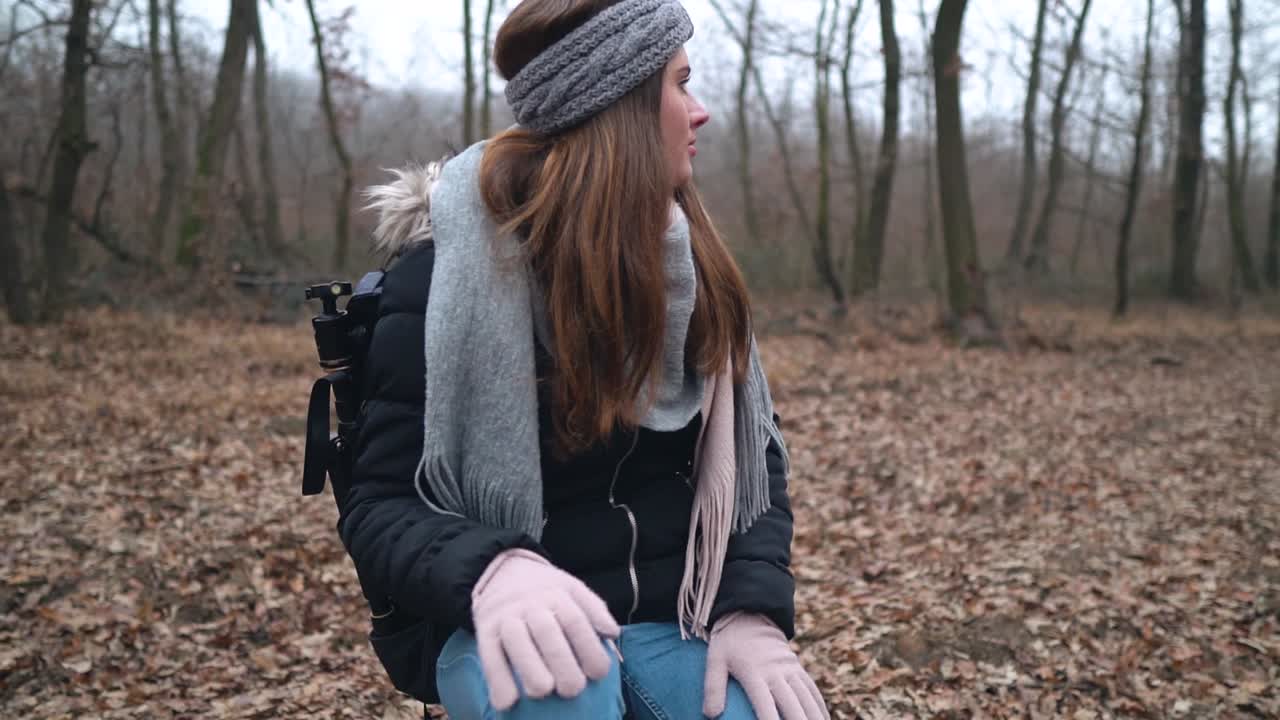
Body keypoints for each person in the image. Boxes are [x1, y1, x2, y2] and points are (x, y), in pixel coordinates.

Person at [341, 1, 828, 718]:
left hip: (671, 618)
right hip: (491, 620)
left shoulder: (696, 271)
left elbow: (757, 462)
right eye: (680, 84)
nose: (700, 113)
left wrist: (750, 611)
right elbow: (379, 504)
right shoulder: (445, 278)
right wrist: (494, 571)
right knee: (564, 691)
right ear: (620, 107)